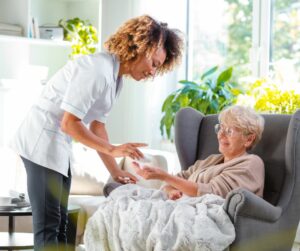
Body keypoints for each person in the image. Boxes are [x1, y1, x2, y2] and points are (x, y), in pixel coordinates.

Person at [10, 15, 183, 250]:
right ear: (140, 48)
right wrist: (113, 149)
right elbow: (70, 123)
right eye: (154, 63)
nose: (153, 72)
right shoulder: (97, 70)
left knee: (61, 225)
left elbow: (97, 125)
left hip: (58, 146)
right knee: (49, 227)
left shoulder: (115, 78)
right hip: (41, 141)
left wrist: (115, 171)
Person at [132, 105, 265, 200]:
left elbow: (211, 193)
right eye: (221, 128)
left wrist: (164, 176)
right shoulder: (212, 160)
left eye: (229, 131)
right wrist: (171, 190)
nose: (221, 135)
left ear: (248, 139)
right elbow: (179, 178)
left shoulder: (251, 163)